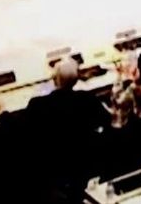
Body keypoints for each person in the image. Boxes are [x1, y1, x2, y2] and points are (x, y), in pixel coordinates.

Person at [23, 57, 109, 194]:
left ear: (55, 80)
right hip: (84, 163)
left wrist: (3, 112)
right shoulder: (87, 99)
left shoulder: (39, 105)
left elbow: (21, 131)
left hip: (53, 168)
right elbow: (107, 120)